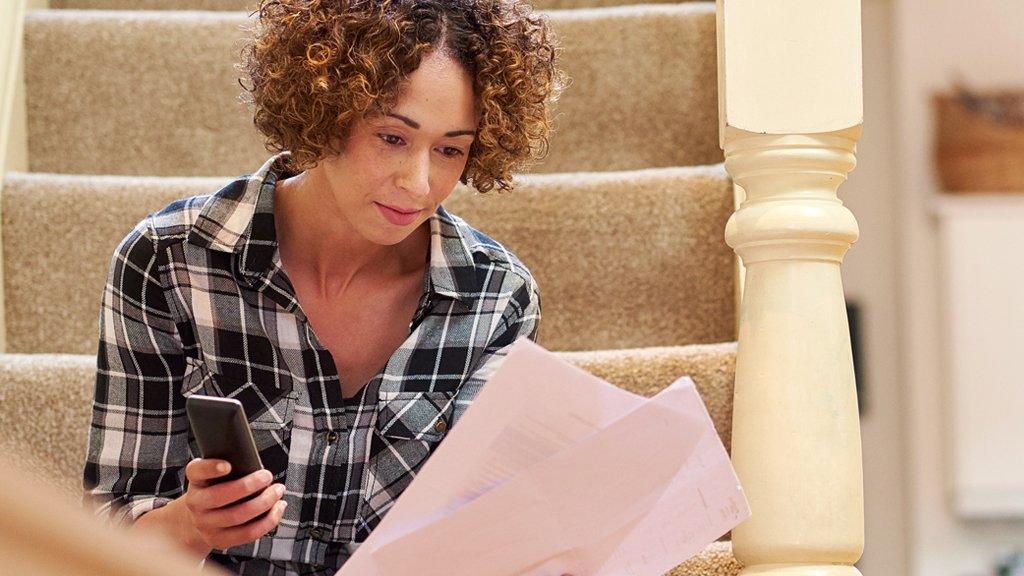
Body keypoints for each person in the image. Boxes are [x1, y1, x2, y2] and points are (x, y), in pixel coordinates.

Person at [82, 0, 569, 573]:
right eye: (391, 137)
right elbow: (103, 535)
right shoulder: (169, 263)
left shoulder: (496, 297)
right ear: (326, 112)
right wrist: (193, 523)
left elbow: (481, 531)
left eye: (450, 150)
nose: (418, 184)